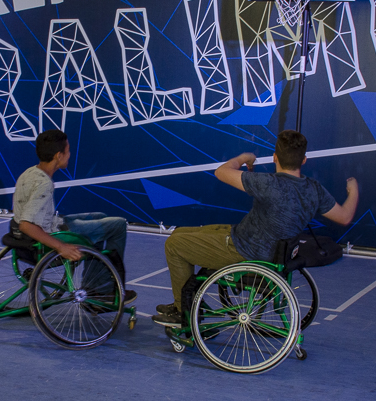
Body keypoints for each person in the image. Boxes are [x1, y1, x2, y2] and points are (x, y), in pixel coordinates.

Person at [152, 130, 359, 326]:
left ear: (275, 157)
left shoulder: (268, 183)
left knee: (174, 244)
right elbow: (345, 216)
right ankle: (191, 303)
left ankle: (183, 313)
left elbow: (221, 172)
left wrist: (244, 157)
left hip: (245, 250)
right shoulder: (314, 189)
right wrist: (353, 190)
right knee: (181, 232)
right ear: (303, 160)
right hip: (262, 245)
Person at [12, 129, 135, 303]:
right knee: (118, 225)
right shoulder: (43, 184)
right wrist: (61, 246)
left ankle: (96, 285)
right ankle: (102, 290)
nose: (70, 155)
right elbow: (26, 224)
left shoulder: (30, 172)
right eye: (68, 151)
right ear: (58, 156)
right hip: (49, 236)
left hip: (38, 230)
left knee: (100, 216)